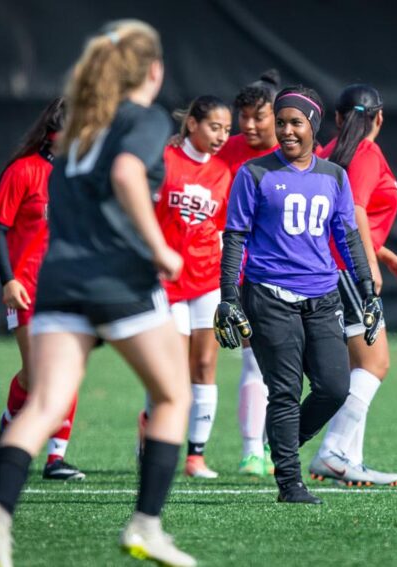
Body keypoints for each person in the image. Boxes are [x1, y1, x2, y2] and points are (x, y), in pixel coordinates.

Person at [0, 20, 196, 567]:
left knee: (44, 403)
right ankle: (145, 525)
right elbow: (124, 174)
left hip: (58, 283)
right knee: (173, 397)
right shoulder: (138, 121)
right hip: (117, 281)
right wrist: (159, 249)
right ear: (155, 70)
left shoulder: (77, 132)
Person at [214, 85, 384, 504]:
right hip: (269, 295)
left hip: (323, 295)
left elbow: (346, 238)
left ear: (313, 125)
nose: (287, 130)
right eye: (282, 122)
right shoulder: (253, 174)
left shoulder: (334, 176)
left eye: (296, 122)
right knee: (285, 391)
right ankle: (290, 483)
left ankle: (283, 440)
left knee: (334, 387)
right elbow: (235, 237)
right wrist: (228, 297)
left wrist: (367, 290)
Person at [309, 84, 397, 487]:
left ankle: (348, 458)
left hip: (326, 267)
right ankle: (333, 452)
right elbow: (352, 209)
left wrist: (385, 256)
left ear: (337, 117)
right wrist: (370, 267)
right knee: (375, 364)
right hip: (345, 268)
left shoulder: (327, 152)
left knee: (360, 366)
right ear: (380, 117)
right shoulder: (366, 153)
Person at [0, 97, 84, 481]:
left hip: (68, 289)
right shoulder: (24, 171)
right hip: (27, 288)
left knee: (67, 371)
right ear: (52, 133)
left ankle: (55, 458)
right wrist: (7, 280)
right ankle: (11, 427)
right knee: (37, 374)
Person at [152, 95, 233, 479]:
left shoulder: (222, 172)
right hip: (166, 283)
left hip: (206, 279)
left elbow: (219, 228)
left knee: (204, 364)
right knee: (171, 372)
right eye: (215, 127)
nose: (221, 136)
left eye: (227, 130)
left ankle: (195, 456)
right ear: (193, 125)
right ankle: (152, 435)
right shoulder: (163, 161)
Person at [217, 70, 280, 476]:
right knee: (254, 362)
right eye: (245, 116)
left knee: (293, 364)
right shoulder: (227, 151)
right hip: (241, 272)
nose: (250, 125)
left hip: (293, 271)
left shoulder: (300, 154)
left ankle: (282, 444)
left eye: (260, 116)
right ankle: (253, 451)